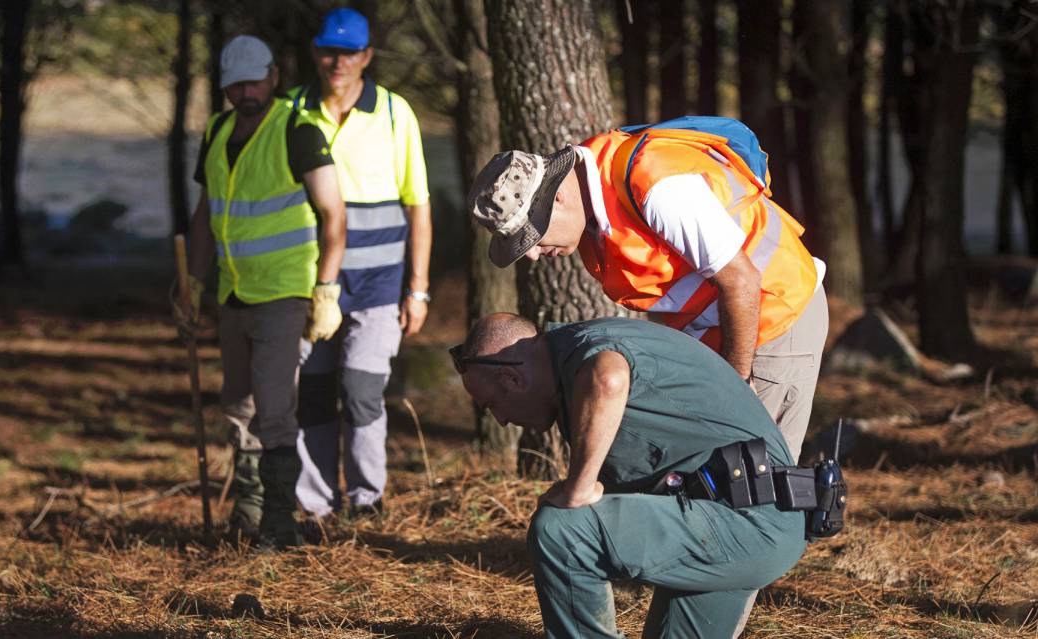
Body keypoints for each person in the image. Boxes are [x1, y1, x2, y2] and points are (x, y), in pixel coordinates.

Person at [467, 120, 828, 464]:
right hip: (724, 331)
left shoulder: (657, 188)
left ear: (558, 197)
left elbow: (742, 281)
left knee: (758, 480)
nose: (531, 254)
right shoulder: (593, 217)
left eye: (531, 236)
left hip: (775, 320)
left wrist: (734, 391)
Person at [453, 312, 807, 639]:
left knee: (561, 530)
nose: (499, 420)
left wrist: (579, 487)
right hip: (743, 521)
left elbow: (609, 377)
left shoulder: (585, 352)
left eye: (492, 405)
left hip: (749, 520)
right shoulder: (570, 359)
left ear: (512, 377)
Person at [179, 35, 346, 548]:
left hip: (284, 292)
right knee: (238, 406)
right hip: (232, 293)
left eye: (254, 81)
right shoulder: (217, 130)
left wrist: (325, 289)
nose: (245, 92)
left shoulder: (298, 131)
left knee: (274, 409)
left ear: (273, 77)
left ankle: (279, 523)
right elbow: (208, 213)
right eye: (235, 85)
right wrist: (191, 281)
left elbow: (334, 214)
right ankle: (248, 510)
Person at [288, 8, 432, 519]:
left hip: (380, 283)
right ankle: (315, 505)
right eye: (329, 50)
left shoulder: (395, 112)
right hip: (310, 280)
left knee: (362, 390)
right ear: (315, 51)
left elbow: (419, 205)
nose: (338, 61)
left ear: (367, 56)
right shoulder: (291, 110)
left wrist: (417, 289)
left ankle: (367, 499)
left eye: (349, 52)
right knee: (314, 393)